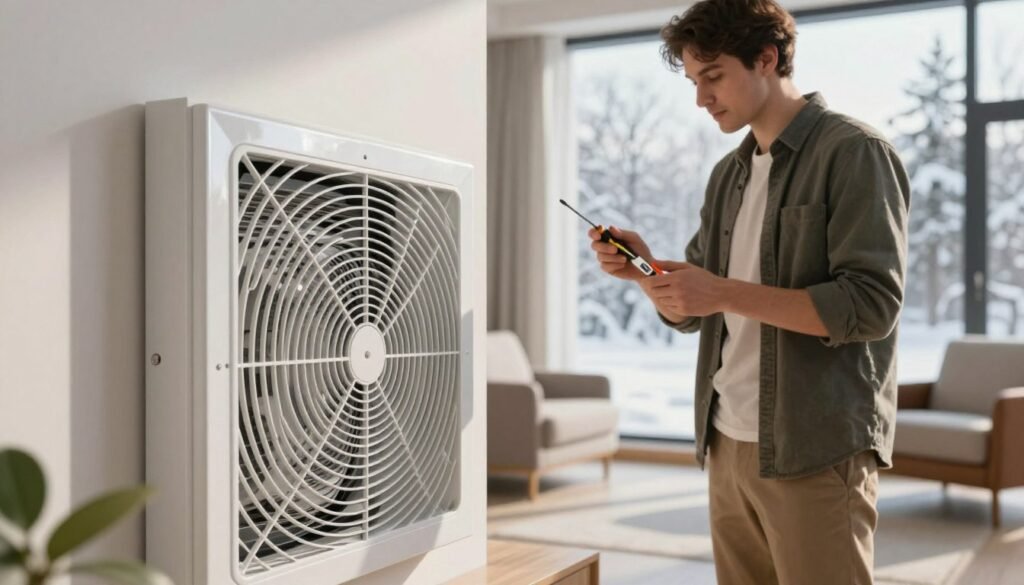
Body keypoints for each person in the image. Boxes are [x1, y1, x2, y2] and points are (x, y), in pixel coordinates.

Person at [588, 1, 911, 583]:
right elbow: (695, 311)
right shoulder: (728, 175)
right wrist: (645, 274)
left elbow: (870, 306)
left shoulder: (854, 152)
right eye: (693, 81)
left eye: (713, 77)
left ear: (767, 58)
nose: (701, 98)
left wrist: (722, 293)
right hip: (727, 439)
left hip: (813, 443)